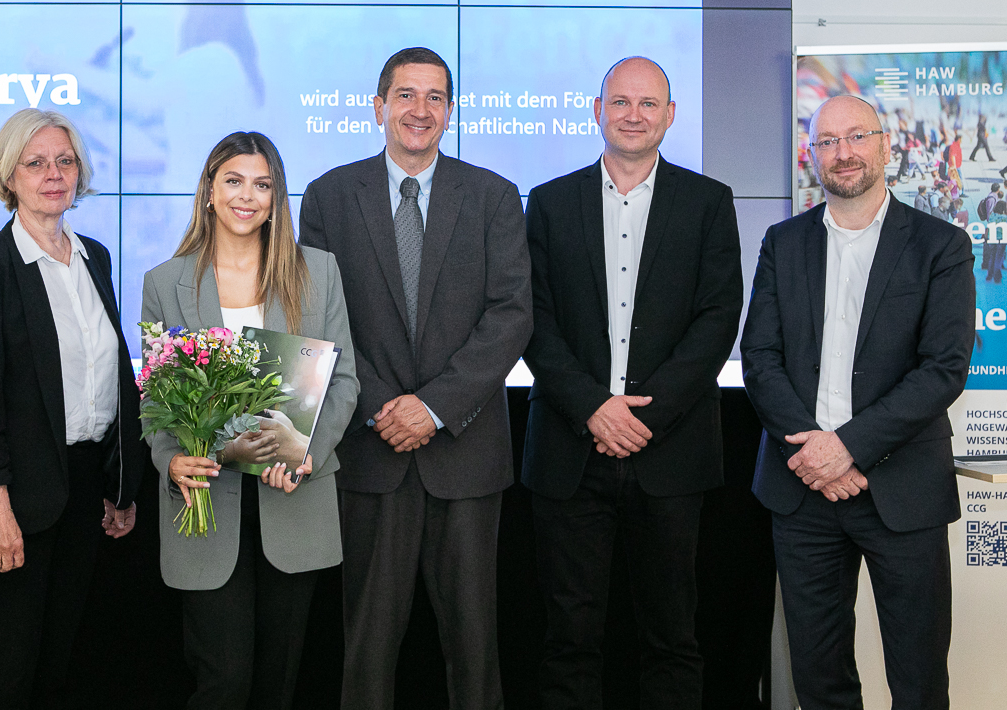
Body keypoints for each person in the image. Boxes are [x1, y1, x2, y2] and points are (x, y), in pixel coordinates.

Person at [299, 46, 532, 710]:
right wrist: (382, 406)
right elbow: (317, 317)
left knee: (475, 652)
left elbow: (512, 314)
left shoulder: (492, 196)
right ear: (379, 107)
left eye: (435, 98)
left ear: (450, 112)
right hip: (370, 454)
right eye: (405, 95)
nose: (420, 110)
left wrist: (431, 408)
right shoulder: (329, 196)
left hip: (466, 455)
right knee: (367, 651)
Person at [521, 56, 743, 710]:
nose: (634, 115)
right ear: (598, 111)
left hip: (670, 453)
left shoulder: (708, 202)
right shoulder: (550, 202)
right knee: (568, 640)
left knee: (672, 638)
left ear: (670, 115)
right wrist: (593, 407)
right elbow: (531, 317)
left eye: (648, 104)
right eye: (620, 102)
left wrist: (643, 417)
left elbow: (718, 318)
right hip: (569, 450)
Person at [741, 95, 975, 710]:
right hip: (802, 489)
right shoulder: (783, 242)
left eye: (856, 137)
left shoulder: (941, 245)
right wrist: (815, 454)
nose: (843, 152)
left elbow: (943, 368)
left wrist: (846, 448)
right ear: (812, 155)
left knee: (919, 680)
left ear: (885, 145)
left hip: (903, 488)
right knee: (819, 681)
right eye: (828, 141)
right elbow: (759, 357)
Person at [141, 131, 359, 709]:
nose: (247, 196)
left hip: (294, 499)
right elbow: (156, 401)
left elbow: (344, 381)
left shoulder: (319, 271)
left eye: (262, 185)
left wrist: (307, 451)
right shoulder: (164, 283)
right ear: (209, 191)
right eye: (233, 181)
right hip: (206, 507)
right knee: (224, 684)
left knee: (277, 687)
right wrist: (172, 460)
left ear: (276, 197)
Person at [0, 108, 144, 709]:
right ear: (9, 176)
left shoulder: (95, 258)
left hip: (81, 493)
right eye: (35, 163)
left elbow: (110, 379)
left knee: (59, 670)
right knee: (7, 679)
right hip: (12, 497)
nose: (54, 174)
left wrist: (119, 484)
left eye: (65, 161)